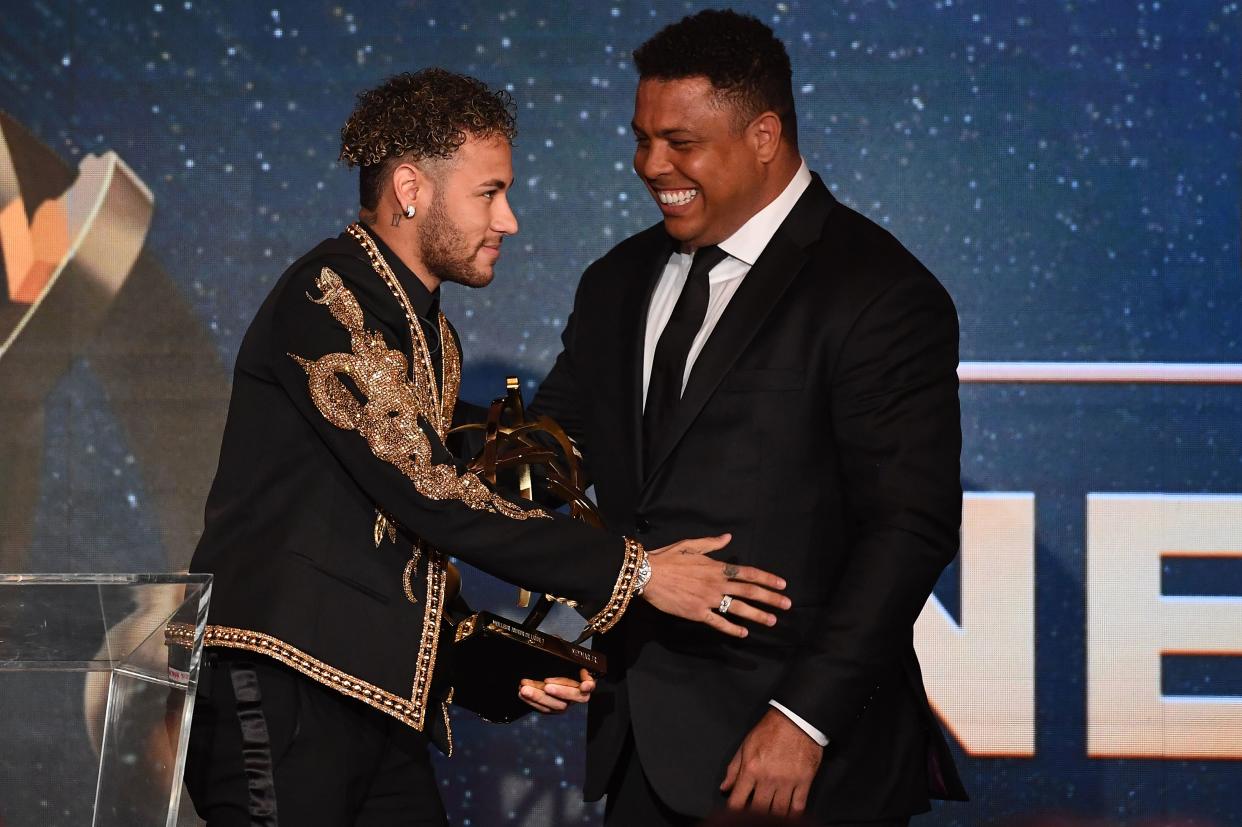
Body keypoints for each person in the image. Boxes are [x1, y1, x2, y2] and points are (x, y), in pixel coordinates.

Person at [183, 68, 788, 827]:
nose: (509, 221)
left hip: (371, 708)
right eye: (489, 192)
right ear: (411, 188)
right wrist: (633, 571)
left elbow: (385, 550)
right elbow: (431, 493)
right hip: (279, 699)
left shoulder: (429, 331)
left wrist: (487, 664)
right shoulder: (330, 299)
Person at [530, 10, 969, 826]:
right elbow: (555, 457)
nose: (649, 164)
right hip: (639, 749)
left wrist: (805, 718)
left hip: (795, 762)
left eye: (679, 142)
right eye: (640, 138)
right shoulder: (618, 279)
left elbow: (908, 528)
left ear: (764, 135)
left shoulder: (877, 292)